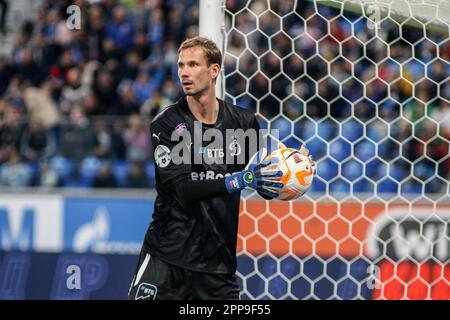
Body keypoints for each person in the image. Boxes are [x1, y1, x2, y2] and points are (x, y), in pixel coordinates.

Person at [128, 36, 303, 300]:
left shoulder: (244, 123)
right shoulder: (167, 124)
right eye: (181, 65)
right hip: (167, 260)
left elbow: (258, 180)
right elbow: (184, 189)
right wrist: (240, 179)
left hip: (217, 268)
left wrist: (289, 171)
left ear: (214, 70)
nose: (184, 72)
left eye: (193, 65)